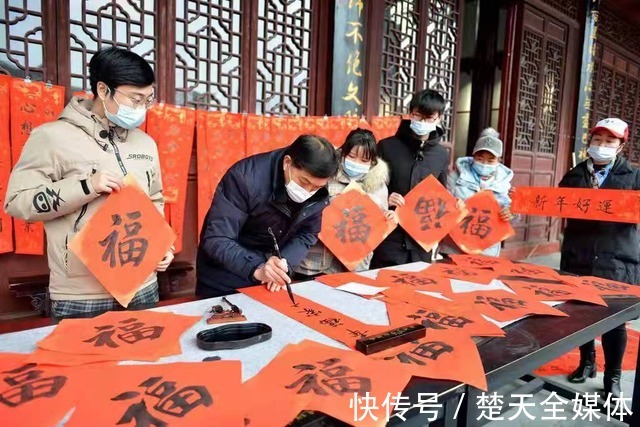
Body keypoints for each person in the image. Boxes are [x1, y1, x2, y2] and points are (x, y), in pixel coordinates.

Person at [4, 47, 173, 320]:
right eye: (135, 98)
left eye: (148, 99)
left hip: (142, 285)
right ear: (104, 90)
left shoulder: (145, 143)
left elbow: (154, 199)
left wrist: (163, 246)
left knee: (144, 362)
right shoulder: (52, 137)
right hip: (81, 294)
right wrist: (85, 187)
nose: (142, 108)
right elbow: (18, 202)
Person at [196, 135, 339, 298]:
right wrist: (257, 268)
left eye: (316, 187)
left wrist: (283, 265)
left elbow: (307, 233)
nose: (308, 191)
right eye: (303, 181)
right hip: (223, 275)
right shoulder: (244, 178)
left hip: (268, 280)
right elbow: (217, 238)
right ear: (287, 162)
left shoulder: (317, 189)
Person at [558, 118, 640, 398]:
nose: (602, 146)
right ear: (590, 142)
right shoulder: (574, 174)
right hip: (578, 257)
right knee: (583, 317)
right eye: (597, 140)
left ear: (621, 145)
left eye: (609, 141)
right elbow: (554, 203)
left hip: (616, 260)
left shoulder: (634, 177)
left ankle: (612, 378)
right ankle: (587, 362)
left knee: (614, 321)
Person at [294, 129, 396, 279]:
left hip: (353, 266)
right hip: (312, 262)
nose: (356, 163)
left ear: (372, 162)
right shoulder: (325, 176)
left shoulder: (378, 187)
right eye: (352, 157)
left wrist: (389, 218)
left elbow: (376, 228)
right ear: (343, 153)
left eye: (364, 160)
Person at [370, 89, 450, 268]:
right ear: (410, 114)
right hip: (389, 236)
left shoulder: (441, 155)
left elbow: (442, 195)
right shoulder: (387, 146)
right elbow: (369, 188)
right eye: (418, 116)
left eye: (429, 118)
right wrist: (384, 197)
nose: (422, 122)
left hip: (421, 241)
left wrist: (454, 206)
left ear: (439, 119)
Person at [440, 128, 516, 257]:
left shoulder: (504, 184)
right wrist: (453, 206)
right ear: (473, 156)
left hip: (487, 248)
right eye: (480, 159)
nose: (484, 164)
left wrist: (511, 213)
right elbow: (442, 206)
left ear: (499, 161)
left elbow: (510, 216)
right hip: (454, 246)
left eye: (491, 160)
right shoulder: (455, 177)